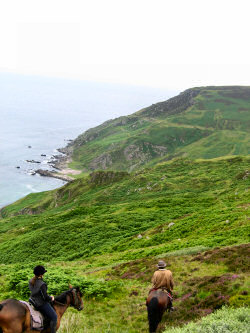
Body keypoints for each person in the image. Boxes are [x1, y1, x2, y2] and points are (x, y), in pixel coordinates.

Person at [29, 265, 57, 333]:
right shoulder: (42, 284)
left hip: (32, 300)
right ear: (41, 274)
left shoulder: (31, 281)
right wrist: (51, 298)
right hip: (40, 303)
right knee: (54, 317)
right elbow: (45, 297)